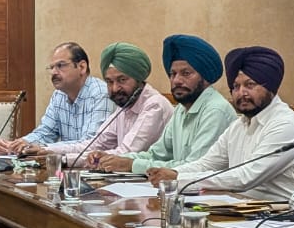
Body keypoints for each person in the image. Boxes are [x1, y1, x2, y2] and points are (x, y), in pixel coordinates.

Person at [147, 46, 294, 201]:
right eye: (235, 86)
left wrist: (178, 178)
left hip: (284, 216)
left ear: (270, 87)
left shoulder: (285, 125)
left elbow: (245, 177)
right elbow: (207, 164)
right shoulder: (239, 125)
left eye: (250, 85)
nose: (241, 93)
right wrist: (172, 173)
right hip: (241, 209)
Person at [92, 35, 234, 174]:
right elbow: (156, 154)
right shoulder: (181, 110)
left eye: (186, 73)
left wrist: (131, 165)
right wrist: (114, 159)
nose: (177, 80)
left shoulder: (215, 110)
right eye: (173, 74)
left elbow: (195, 167)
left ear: (206, 77)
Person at [41, 42, 172, 163]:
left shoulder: (154, 105)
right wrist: (47, 151)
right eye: (109, 82)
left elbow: (126, 153)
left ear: (138, 79)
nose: (115, 88)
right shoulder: (125, 105)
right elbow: (94, 145)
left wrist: (64, 160)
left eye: (122, 80)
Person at [0, 42, 111, 155]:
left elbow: (91, 144)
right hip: (68, 164)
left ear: (82, 67)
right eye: (52, 67)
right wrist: (21, 143)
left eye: (60, 65)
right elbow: (46, 132)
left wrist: (45, 148)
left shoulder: (100, 94)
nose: (54, 72)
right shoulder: (59, 95)